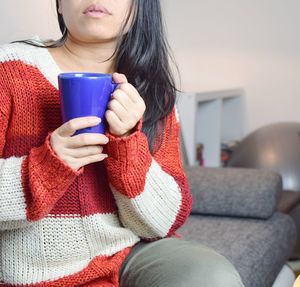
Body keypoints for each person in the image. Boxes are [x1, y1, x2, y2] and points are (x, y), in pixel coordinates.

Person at [0, 1, 245, 286]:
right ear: (58, 4)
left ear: (140, 8)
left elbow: (165, 220)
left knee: (211, 277)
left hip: (129, 254)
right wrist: (47, 167)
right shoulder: (10, 69)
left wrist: (128, 144)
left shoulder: (153, 92)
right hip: (30, 270)